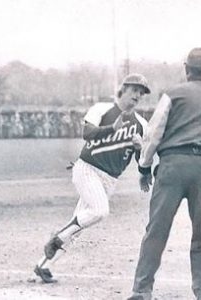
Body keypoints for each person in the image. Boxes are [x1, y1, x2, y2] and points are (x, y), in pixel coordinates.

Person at [128, 48, 201, 300]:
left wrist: (144, 167)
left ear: (186, 69)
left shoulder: (173, 94)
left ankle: (142, 290)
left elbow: (153, 133)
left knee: (157, 230)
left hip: (173, 165)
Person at [34, 73, 150, 283]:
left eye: (141, 93)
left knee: (79, 224)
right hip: (87, 169)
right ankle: (57, 237)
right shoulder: (102, 109)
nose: (137, 96)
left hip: (110, 180)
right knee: (99, 211)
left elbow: (140, 160)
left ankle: (44, 265)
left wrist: (139, 149)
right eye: (134, 90)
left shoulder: (141, 124)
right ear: (123, 89)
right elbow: (87, 133)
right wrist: (111, 129)